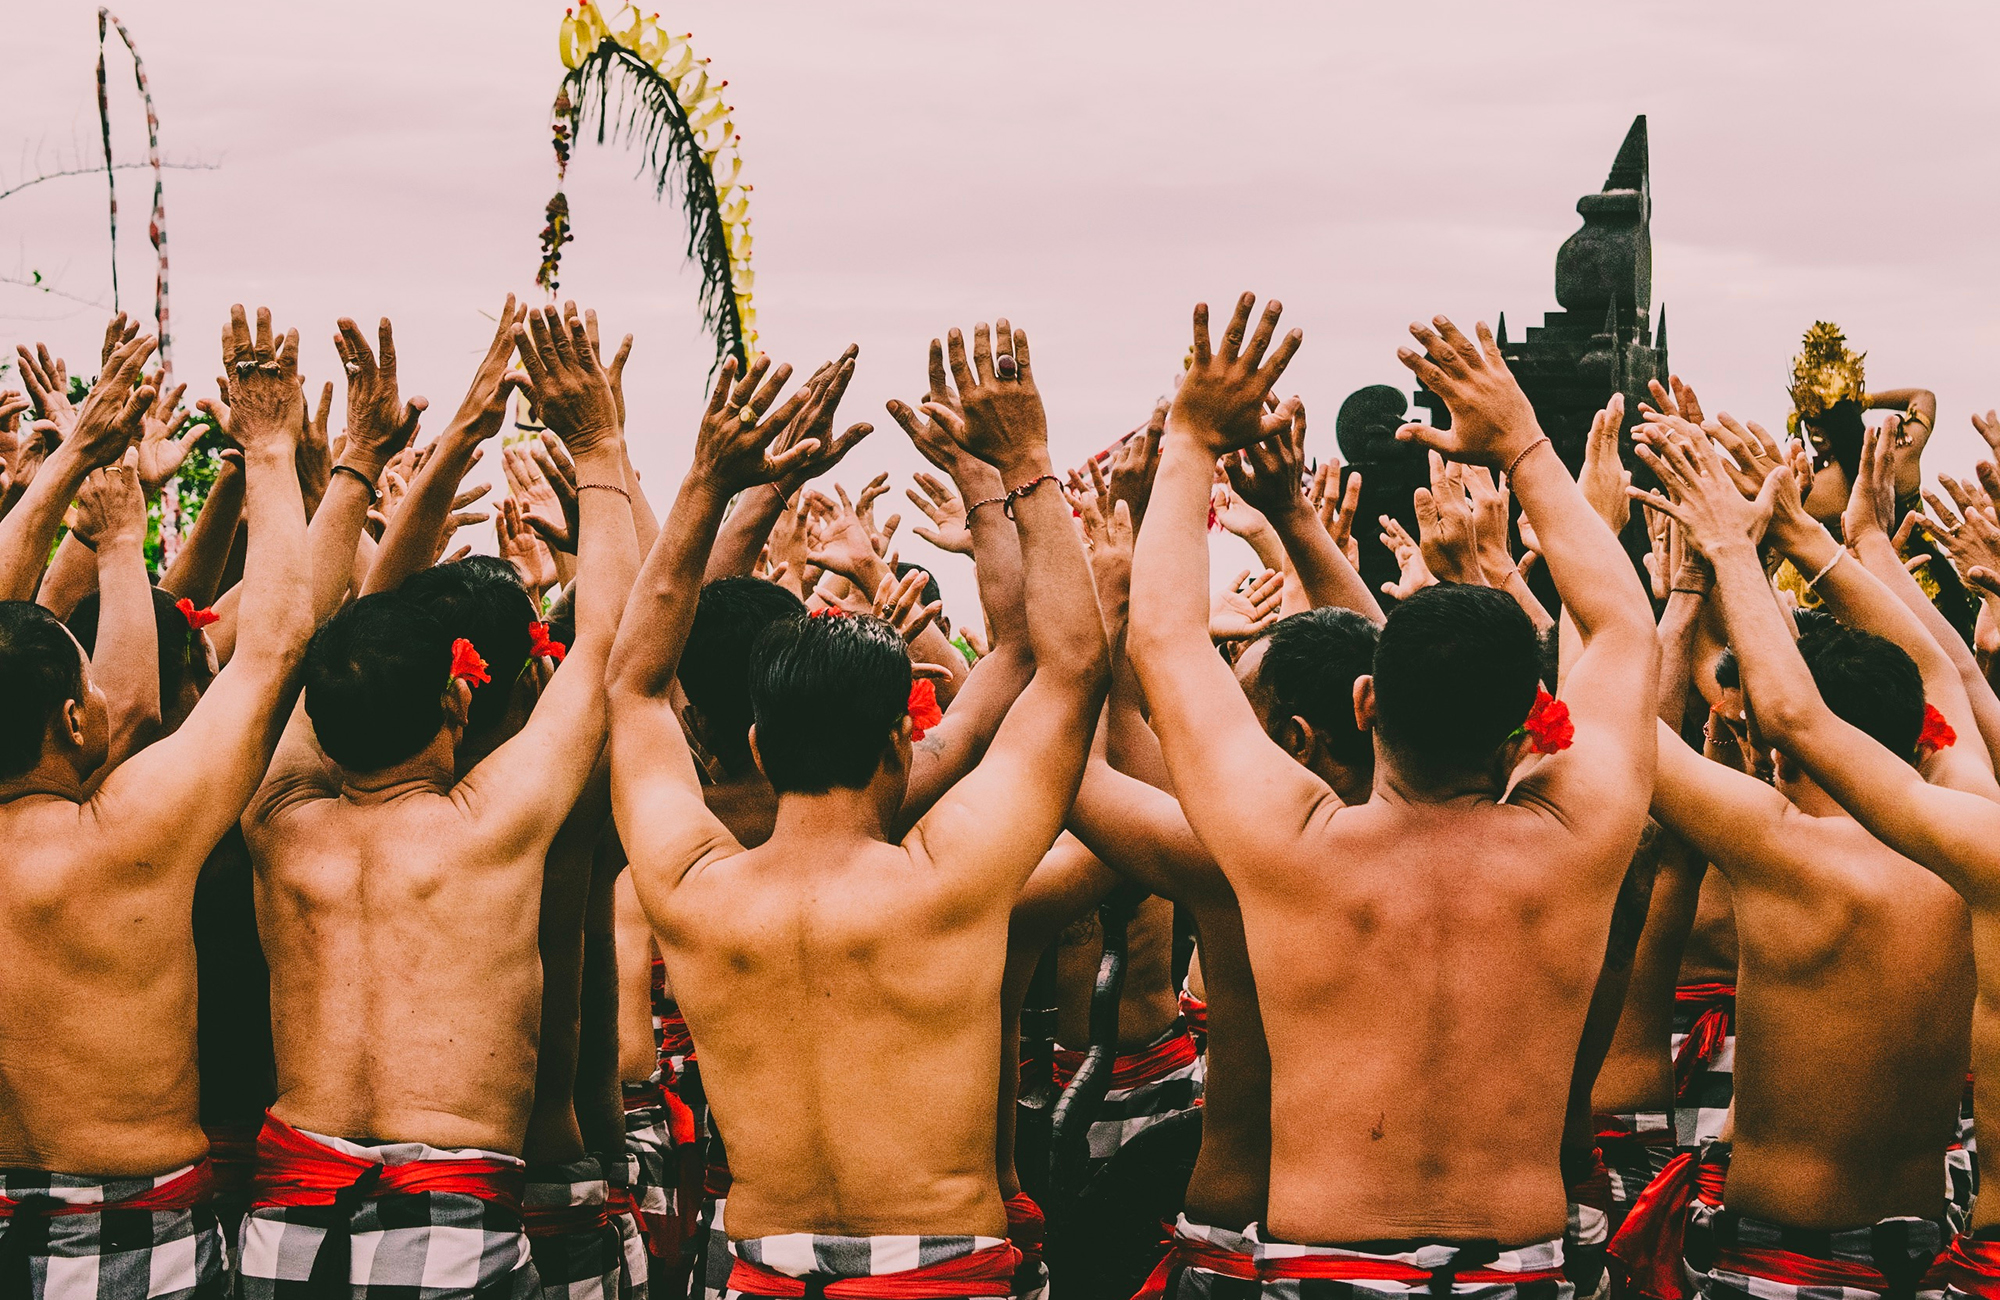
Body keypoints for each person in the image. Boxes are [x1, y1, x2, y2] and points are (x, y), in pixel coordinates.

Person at [1127, 299, 1657, 1290]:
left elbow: (1160, 641)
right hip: (1515, 1270)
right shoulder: (1577, 838)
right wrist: (1521, 441)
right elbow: (1625, 628)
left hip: (1323, 1268)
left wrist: (1190, 434)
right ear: (1528, 726)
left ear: (1364, 702)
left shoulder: (1290, 846)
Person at [610, 321, 1107, 1299]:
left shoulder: (689, 886)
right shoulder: (952, 876)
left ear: (755, 744)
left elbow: (629, 687)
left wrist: (709, 482)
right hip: (945, 1273)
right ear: (895, 742)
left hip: (757, 1270)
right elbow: (1072, 668)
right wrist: (1024, 461)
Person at [237, 303, 639, 1300]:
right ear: (460, 696)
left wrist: (366, 457)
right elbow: (604, 644)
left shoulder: (276, 818)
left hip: (287, 1214)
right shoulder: (494, 827)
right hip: (446, 1213)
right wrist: (597, 442)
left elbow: (287, 638)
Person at [1627, 421, 2000, 1300]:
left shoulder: (1781, 847)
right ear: (1919, 740)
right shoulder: (1974, 839)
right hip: (1923, 1249)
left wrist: (1698, 575)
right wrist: (1820, 541)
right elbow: (1946, 680)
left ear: (1779, 750)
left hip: (1777, 1261)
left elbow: (1630, 732)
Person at [0, 311, 312, 1300]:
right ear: (73, 723)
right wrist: (268, 450)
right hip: (140, 1231)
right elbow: (273, 648)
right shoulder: (132, 832)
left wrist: (75, 459)